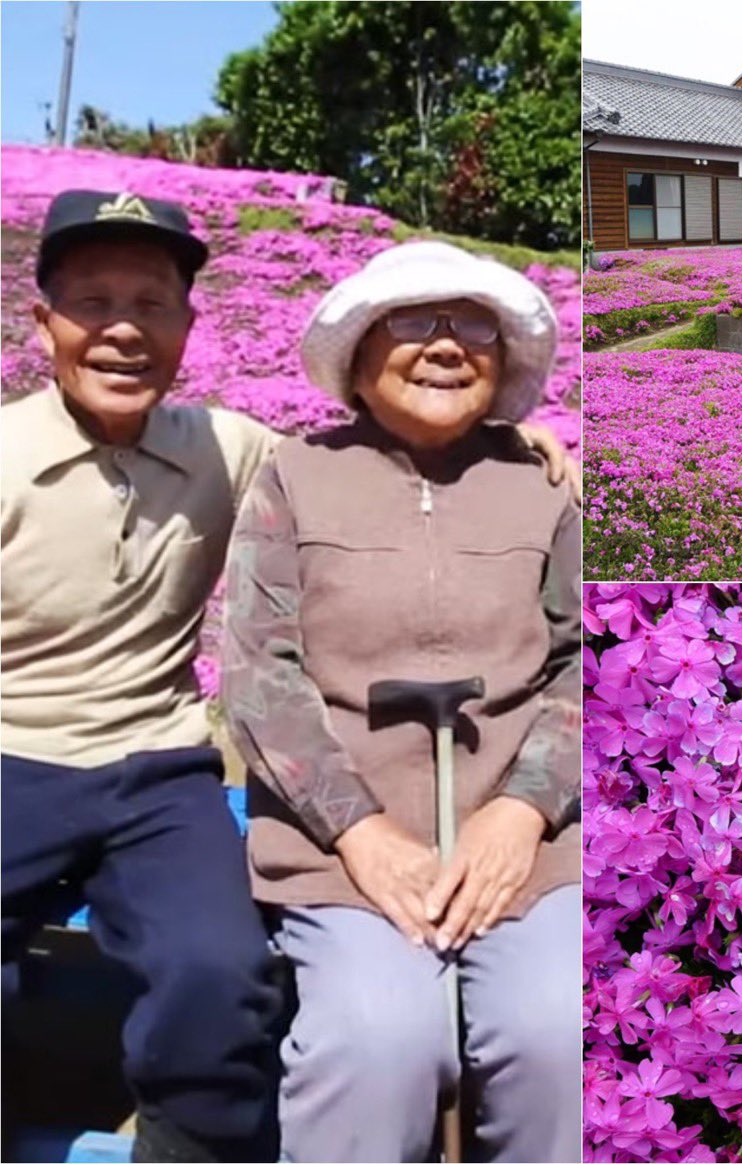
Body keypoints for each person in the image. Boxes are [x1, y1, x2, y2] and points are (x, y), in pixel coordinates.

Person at [0, 191, 575, 1164]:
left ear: (188, 327)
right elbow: (268, 661)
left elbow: (395, 463)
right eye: (93, 303)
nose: (124, 329)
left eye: (153, 304)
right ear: (43, 320)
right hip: (14, 760)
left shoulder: (231, 450)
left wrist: (525, 440)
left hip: (156, 769)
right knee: (370, 1036)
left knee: (218, 974)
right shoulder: (22, 455)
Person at [220, 241, 581, 1164]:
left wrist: (522, 810)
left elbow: (589, 664)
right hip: (345, 847)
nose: (445, 345)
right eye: (412, 321)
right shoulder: (295, 476)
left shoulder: (545, 486)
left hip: (528, 848)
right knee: (378, 1046)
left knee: (561, 1038)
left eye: (471, 325)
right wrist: (361, 833)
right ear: (360, 349)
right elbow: (261, 670)